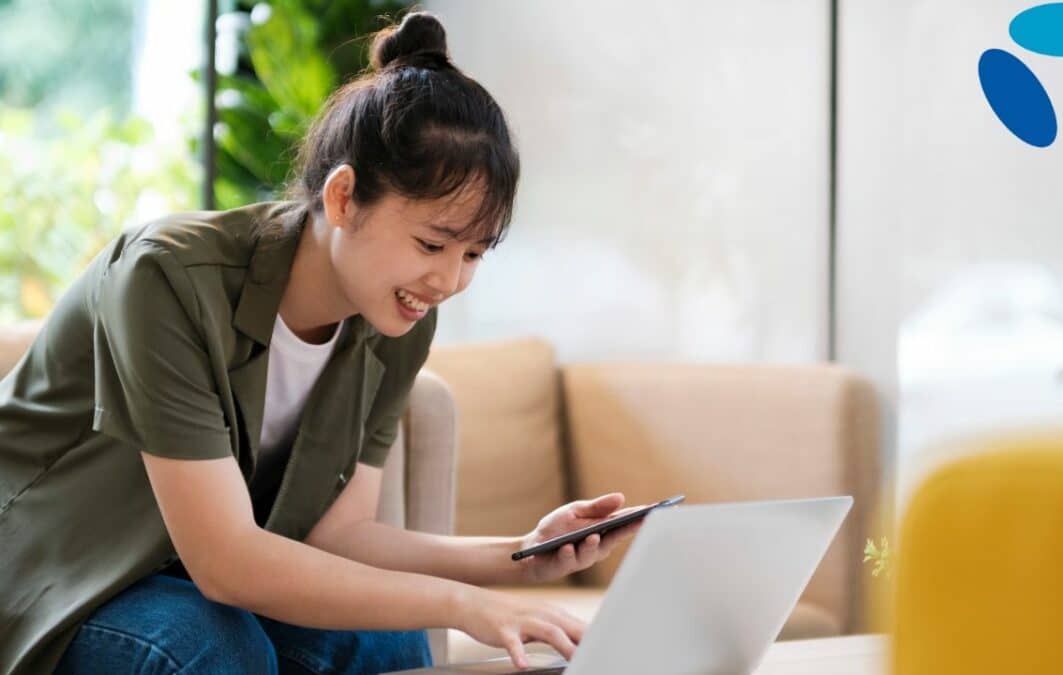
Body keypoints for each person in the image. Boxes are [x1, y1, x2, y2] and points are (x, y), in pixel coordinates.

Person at [0, 11, 643, 675]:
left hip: (175, 576)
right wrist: (465, 603)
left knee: (384, 643)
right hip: (51, 572)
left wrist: (522, 552)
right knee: (209, 645)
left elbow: (340, 536)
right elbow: (225, 561)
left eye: (474, 253)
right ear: (342, 198)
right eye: (431, 243)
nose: (449, 280)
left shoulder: (399, 320)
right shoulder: (166, 277)